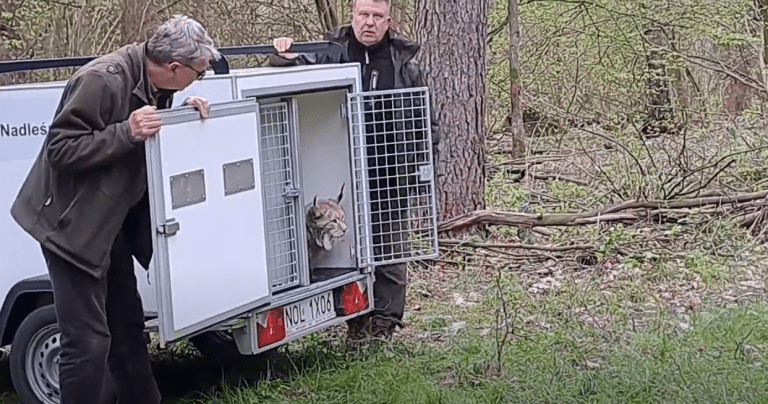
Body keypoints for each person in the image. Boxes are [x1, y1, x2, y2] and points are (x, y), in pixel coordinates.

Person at [11, 15, 219, 404]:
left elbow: (148, 132)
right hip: (71, 227)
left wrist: (183, 115)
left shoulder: (157, 84)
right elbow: (60, 148)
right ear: (175, 68)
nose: (200, 79)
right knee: (87, 341)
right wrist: (126, 132)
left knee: (127, 328)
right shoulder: (102, 80)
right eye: (200, 73)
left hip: (112, 223)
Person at [272, 0, 440, 340]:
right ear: (353, 16)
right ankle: (356, 322)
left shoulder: (404, 62)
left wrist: (424, 169)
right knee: (347, 250)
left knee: (390, 250)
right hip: (341, 171)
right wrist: (283, 56)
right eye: (364, 14)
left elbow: (424, 122)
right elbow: (292, 76)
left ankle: (383, 326)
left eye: (377, 16)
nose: (369, 22)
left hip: (391, 170)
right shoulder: (329, 52)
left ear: (388, 21)